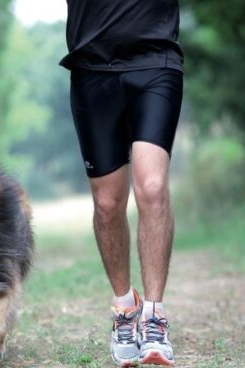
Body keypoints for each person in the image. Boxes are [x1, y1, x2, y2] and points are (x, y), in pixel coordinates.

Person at [60, 0, 184, 366]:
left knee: (152, 186)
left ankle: (155, 317)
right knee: (108, 204)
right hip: (91, 68)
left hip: (156, 60)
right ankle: (125, 309)